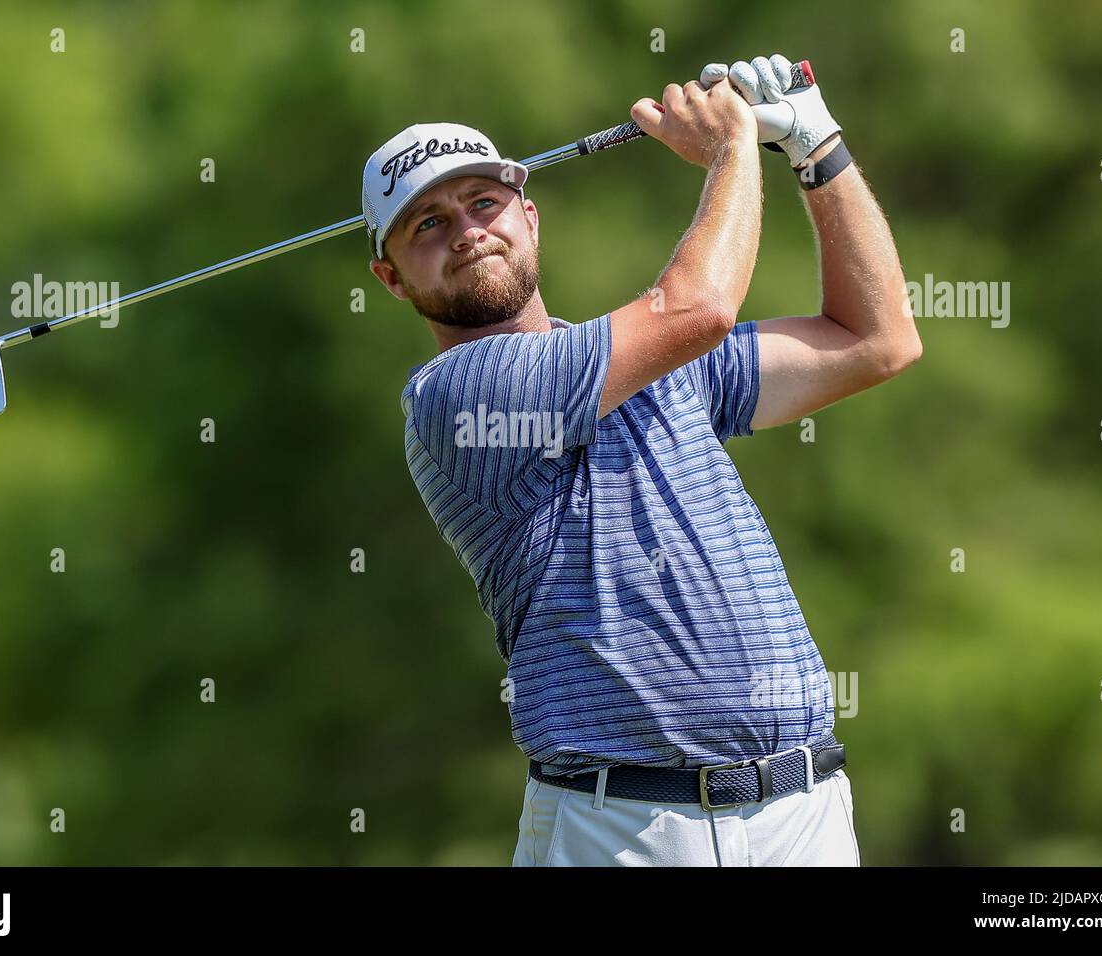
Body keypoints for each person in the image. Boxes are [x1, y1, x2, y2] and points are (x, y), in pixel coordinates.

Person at [361, 53, 920, 866]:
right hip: (622, 828)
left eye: (484, 202)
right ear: (391, 278)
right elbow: (698, 308)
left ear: (531, 219)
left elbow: (878, 340)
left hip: (802, 815)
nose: (469, 231)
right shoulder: (453, 398)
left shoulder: (652, 366)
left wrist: (815, 145)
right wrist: (733, 148)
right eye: (429, 224)